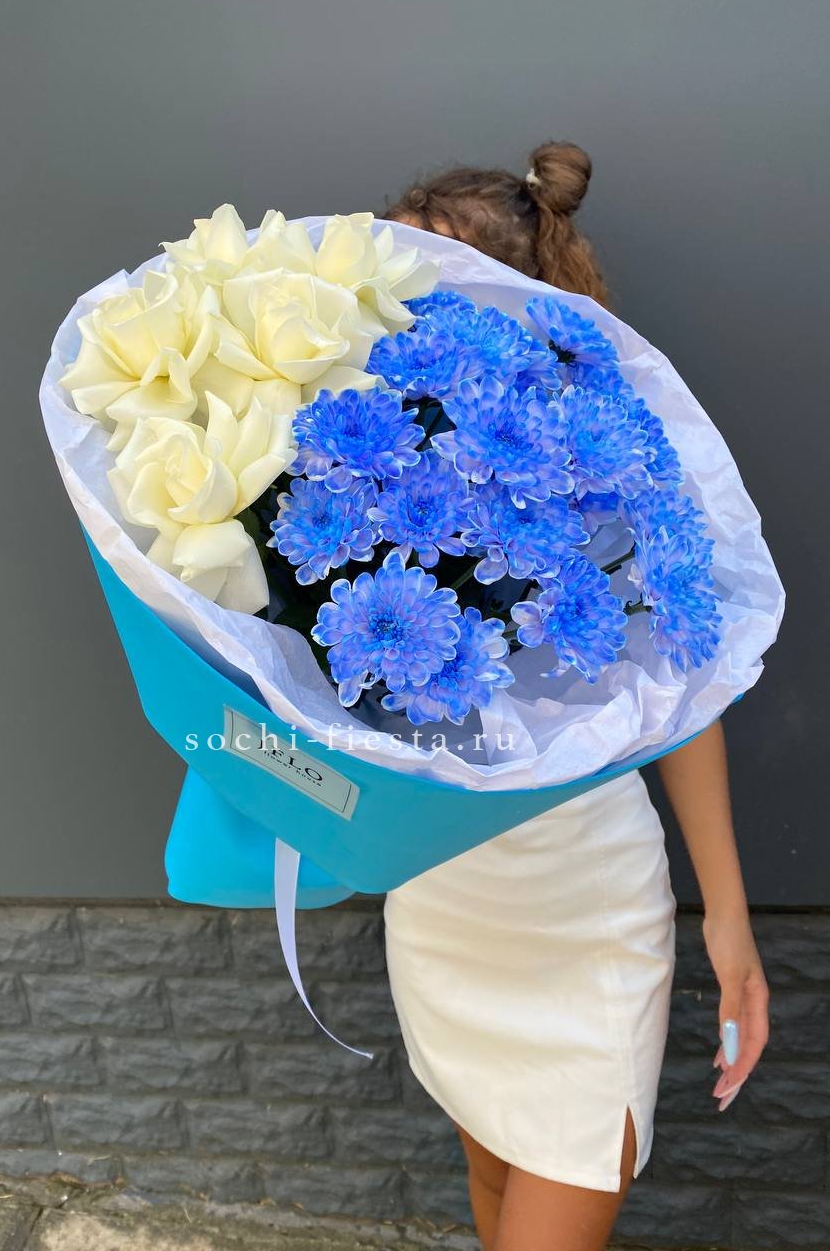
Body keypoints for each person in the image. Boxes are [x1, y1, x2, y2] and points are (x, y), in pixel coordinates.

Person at [380, 142, 770, 1251]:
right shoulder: (368, 460)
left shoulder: (615, 459)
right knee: (492, 1174)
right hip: (443, 890)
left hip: (580, 901)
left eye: (439, 282)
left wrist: (729, 922)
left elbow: (682, 691)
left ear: (520, 297)